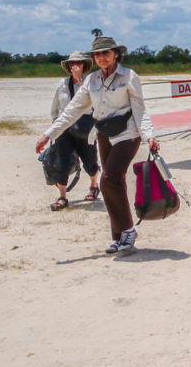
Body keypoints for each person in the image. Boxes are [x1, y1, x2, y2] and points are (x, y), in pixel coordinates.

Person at [36, 36, 159, 255]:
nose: (102, 57)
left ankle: (128, 231)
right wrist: (48, 135)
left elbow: (140, 108)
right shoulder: (91, 80)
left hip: (127, 133)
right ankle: (119, 236)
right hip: (103, 134)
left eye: (106, 53)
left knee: (109, 178)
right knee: (113, 183)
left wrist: (149, 135)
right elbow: (72, 110)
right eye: (98, 54)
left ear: (116, 55)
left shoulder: (129, 76)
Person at [47, 51, 101, 210]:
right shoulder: (62, 84)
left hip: (85, 127)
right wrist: (55, 122)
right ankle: (62, 196)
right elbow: (55, 108)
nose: (74, 66)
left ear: (84, 66)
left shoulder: (91, 83)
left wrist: (80, 79)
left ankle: (93, 185)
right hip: (65, 128)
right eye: (72, 64)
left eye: (78, 63)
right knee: (61, 162)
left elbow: (96, 102)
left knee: (89, 161)